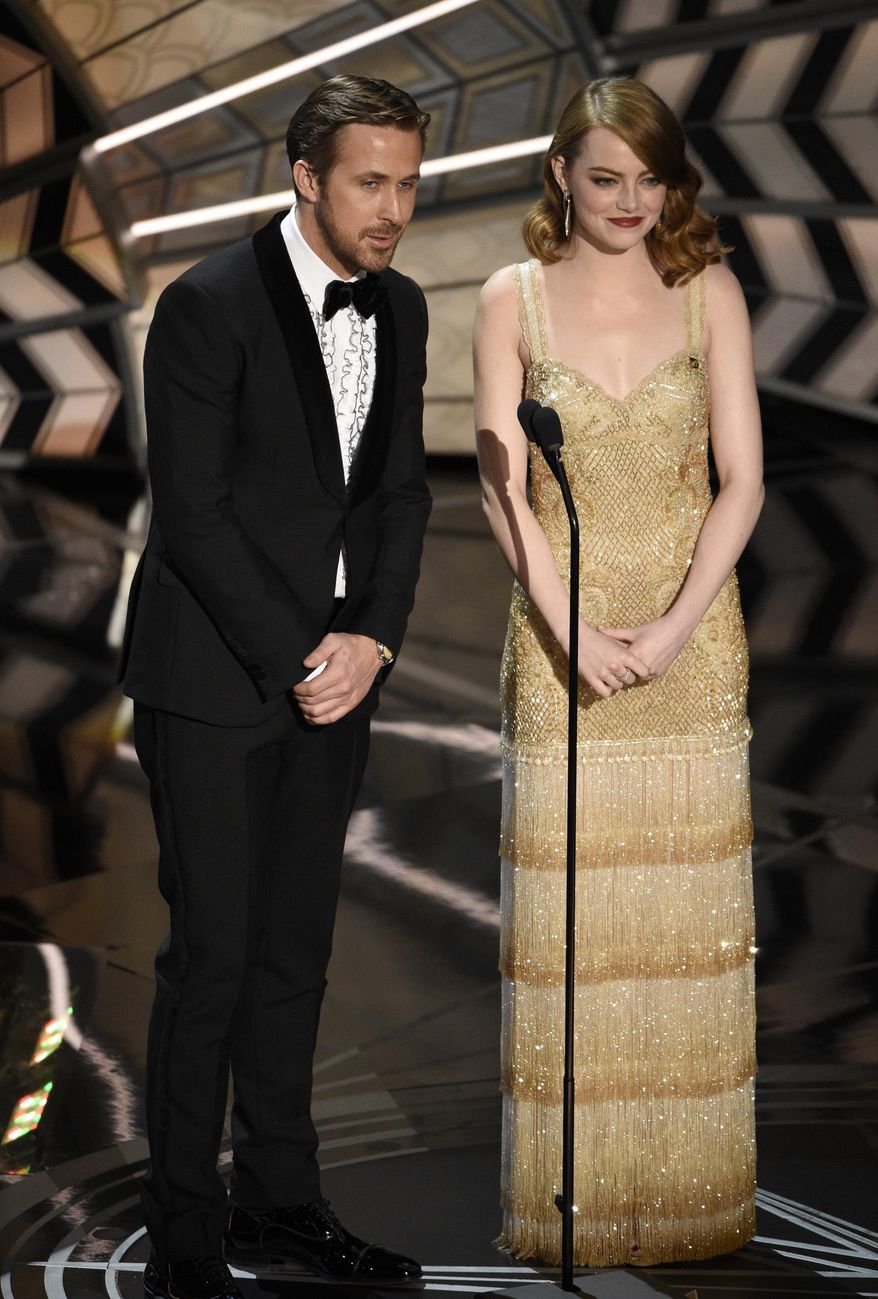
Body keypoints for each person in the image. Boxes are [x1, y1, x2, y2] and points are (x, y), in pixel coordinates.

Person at [119, 75, 432, 1299]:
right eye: (371, 181)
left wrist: (372, 643)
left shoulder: (399, 307)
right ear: (306, 176)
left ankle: (283, 1208)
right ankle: (188, 1243)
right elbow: (189, 516)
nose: (392, 208)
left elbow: (401, 495)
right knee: (214, 961)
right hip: (213, 678)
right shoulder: (205, 306)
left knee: (297, 954)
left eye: (408, 183)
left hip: (339, 678)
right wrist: (305, 653)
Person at [474, 77, 764, 1267]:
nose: (629, 202)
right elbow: (501, 486)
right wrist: (574, 631)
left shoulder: (708, 293)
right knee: (573, 937)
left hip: (690, 647)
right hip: (560, 648)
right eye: (605, 178)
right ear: (558, 175)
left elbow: (740, 480)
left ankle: (686, 1200)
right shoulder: (511, 302)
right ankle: (576, 1206)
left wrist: (675, 627)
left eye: (649, 180)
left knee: (687, 936)